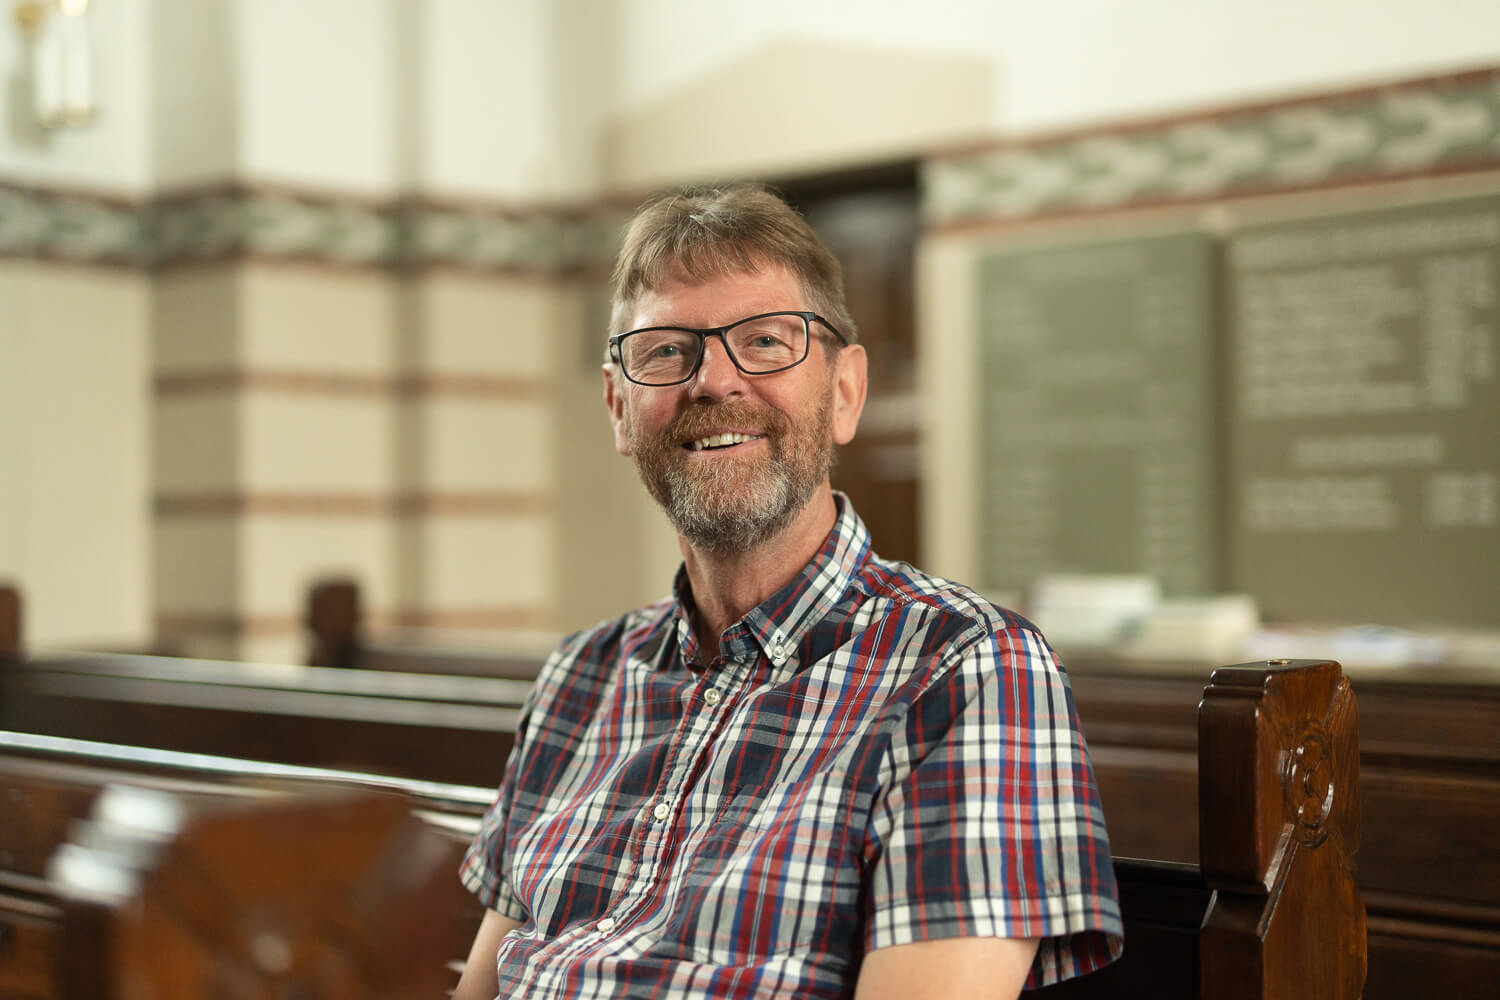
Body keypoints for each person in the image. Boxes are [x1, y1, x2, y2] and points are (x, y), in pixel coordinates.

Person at [454, 184, 1121, 1000]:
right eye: (664, 351)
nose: (714, 381)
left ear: (845, 392)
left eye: (765, 341)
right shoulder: (579, 676)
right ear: (618, 408)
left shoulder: (967, 671)